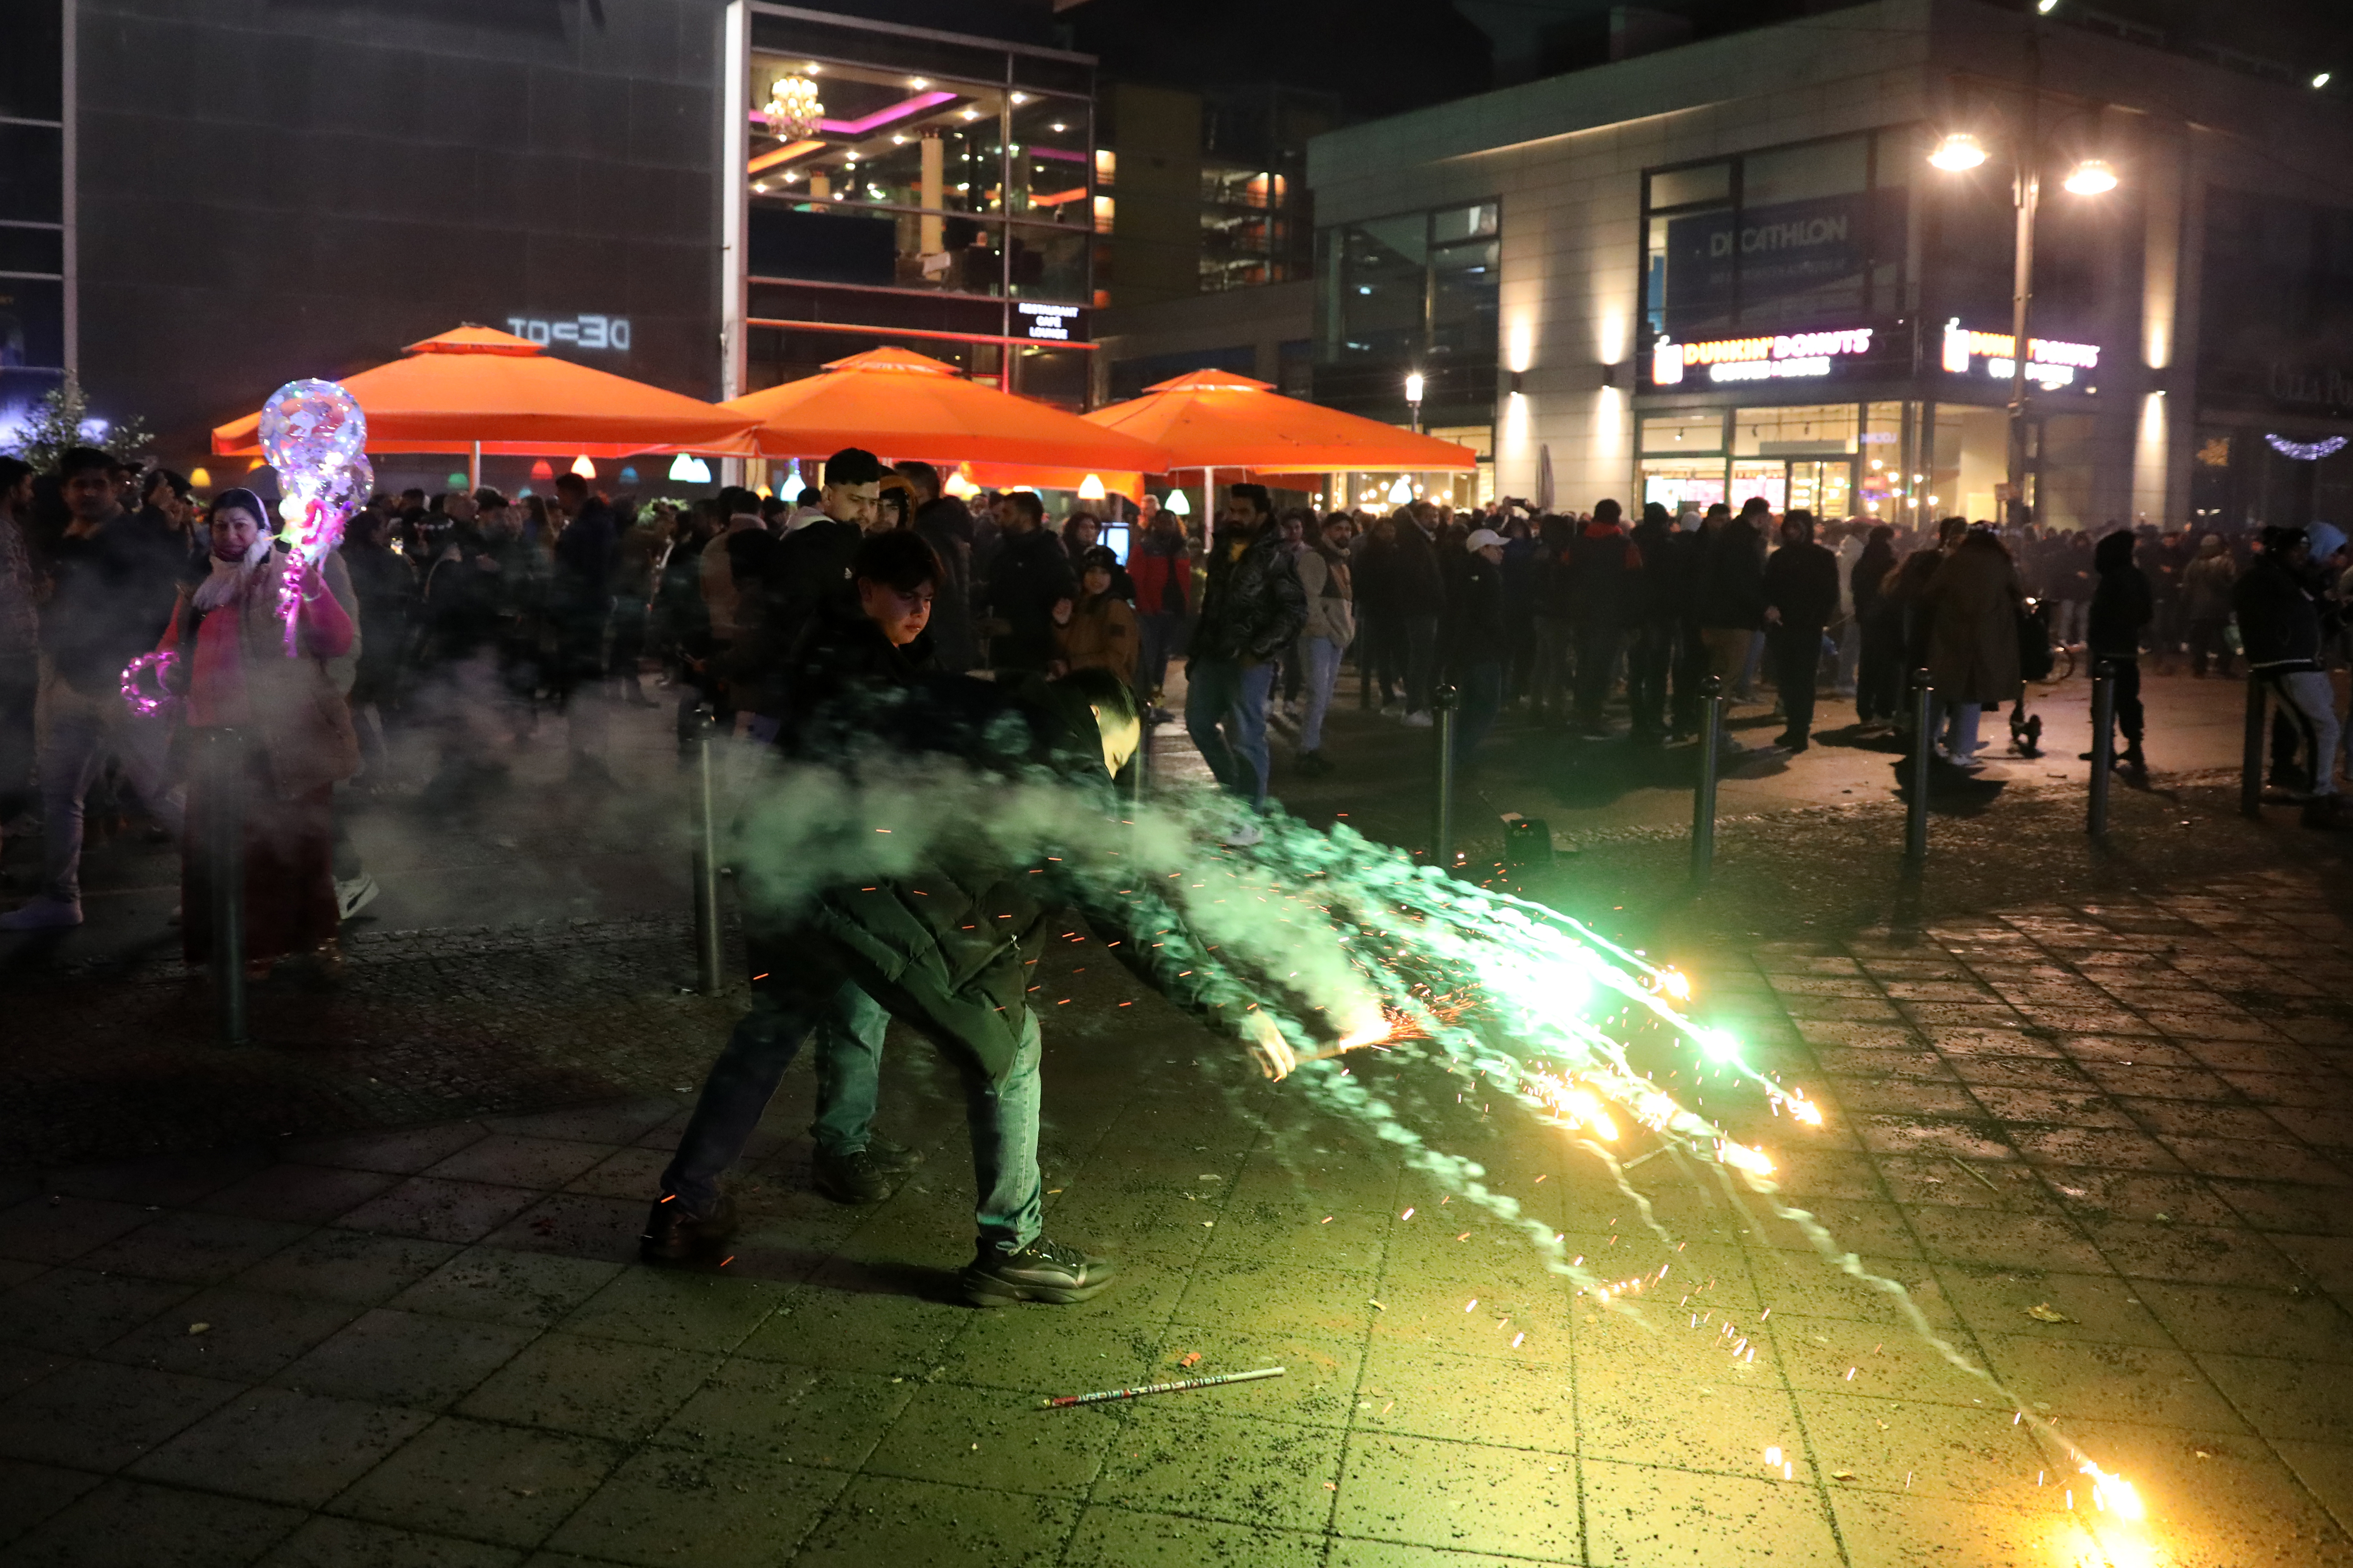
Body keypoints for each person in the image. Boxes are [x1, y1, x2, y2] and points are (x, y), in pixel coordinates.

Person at [644, 529, 1287, 1304]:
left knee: (771, 1032)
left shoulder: (997, 707)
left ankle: (686, 1206)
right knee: (1008, 1040)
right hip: (864, 883)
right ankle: (1011, 1248)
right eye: (1120, 758)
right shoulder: (1065, 753)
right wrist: (1235, 1009)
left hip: (794, 866)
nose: (1116, 777)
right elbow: (1122, 906)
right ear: (1104, 724)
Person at [159, 490, 360, 978]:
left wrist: (310, 583)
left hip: (287, 737)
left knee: (294, 849)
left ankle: (304, 943)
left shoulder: (288, 575)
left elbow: (338, 639)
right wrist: (162, 673)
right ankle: (226, 947)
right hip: (216, 738)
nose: (230, 535)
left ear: (262, 528)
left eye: (241, 525)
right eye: (222, 525)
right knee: (219, 849)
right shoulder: (199, 588)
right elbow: (172, 648)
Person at [3, 447, 188, 930]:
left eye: (97, 485)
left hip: (127, 688)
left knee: (160, 791)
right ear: (65, 492)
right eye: (78, 486)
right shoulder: (61, 535)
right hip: (70, 682)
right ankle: (61, 898)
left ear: (115, 487)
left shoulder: (135, 532)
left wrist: (151, 519)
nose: (87, 493)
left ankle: (215, 885)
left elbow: (156, 592)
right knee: (61, 794)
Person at [1184, 483, 1305, 831]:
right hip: (1213, 652)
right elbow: (1211, 605)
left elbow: (1294, 611)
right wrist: (1196, 651)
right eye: (1232, 510)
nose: (1234, 517)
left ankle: (1249, 814)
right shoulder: (1222, 548)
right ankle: (1235, 791)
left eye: (1243, 512)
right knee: (1198, 723)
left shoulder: (1275, 555)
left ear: (1262, 516)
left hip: (1249, 658)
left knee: (1246, 736)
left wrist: (1260, 650)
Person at [2237, 526, 2342, 825]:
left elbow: (2322, 623)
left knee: (2321, 728)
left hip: (2304, 662)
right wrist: (2310, 588)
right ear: (2277, 552)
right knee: (2322, 727)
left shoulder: (2293, 580)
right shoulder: (2262, 579)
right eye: (2295, 550)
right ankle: (2317, 793)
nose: (2301, 556)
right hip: (2287, 663)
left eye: (2304, 550)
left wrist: (2342, 614)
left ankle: (2320, 789)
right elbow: (2278, 612)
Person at [1921, 527, 2025, 768]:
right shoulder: (2001, 563)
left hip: (1952, 632)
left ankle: (1928, 741)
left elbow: (1931, 591)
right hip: (1988, 635)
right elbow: (2018, 593)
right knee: (1972, 693)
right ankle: (1961, 750)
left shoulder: (1954, 561)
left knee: (1940, 687)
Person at [548, 472, 618, 781]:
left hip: (580, 619)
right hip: (591, 614)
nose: (559, 502)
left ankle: (583, 761)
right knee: (588, 687)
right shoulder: (601, 524)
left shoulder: (585, 529)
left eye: (561, 496)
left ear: (572, 493)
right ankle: (587, 758)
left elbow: (575, 575)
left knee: (581, 688)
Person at [1565, 499, 1644, 739]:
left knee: (1585, 664)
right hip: (1612, 617)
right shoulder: (1625, 546)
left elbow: (1565, 575)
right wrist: (1634, 622)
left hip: (1581, 615)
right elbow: (1635, 585)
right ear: (1617, 518)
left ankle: (1581, 712)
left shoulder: (1578, 544)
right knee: (1602, 669)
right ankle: (1593, 717)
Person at [1761, 508, 1839, 752]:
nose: (1792, 532)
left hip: (1807, 627)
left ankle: (1800, 729)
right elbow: (1768, 588)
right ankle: (1793, 728)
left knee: (1803, 680)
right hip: (1785, 626)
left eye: (1797, 528)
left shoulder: (1822, 557)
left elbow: (1829, 593)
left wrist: (1818, 619)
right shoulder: (1780, 557)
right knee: (1787, 679)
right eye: (1790, 528)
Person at [979, 491, 1077, 681]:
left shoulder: (1049, 555)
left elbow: (1061, 608)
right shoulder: (1004, 550)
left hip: (1035, 659)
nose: (1000, 518)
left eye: (1007, 513)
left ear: (1026, 517)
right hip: (1001, 654)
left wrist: (1014, 627)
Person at [1693, 499, 1767, 737]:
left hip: (1714, 617)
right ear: (1761, 517)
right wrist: (1763, 607)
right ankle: (1715, 731)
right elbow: (1743, 583)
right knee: (1728, 676)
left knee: (1716, 673)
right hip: (1735, 619)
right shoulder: (1744, 542)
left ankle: (1708, 727)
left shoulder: (1725, 537)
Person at [899, 461, 979, 676]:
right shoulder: (947, 528)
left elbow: (938, 597)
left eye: (902, 492)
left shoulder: (926, 535)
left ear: (920, 493)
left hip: (937, 650)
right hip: (951, 645)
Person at [1293, 512, 1356, 776]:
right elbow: (1309, 598)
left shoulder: (1339, 561)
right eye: (1339, 529)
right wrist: (1324, 627)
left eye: (1348, 529)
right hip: (1320, 635)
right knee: (1318, 693)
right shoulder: (1316, 559)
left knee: (1324, 694)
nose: (1345, 534)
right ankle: (1308, 749)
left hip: (1332, 634)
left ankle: (1311, 746)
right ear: (1326, 531)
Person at [2085, 528, 2152, 774]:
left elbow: (2103, 613)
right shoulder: (2136, 577)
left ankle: (2106, 748)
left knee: (2105, 702)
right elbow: (2145, 613)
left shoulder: (2114, 579)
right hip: (2126, 648)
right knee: (2128, 700)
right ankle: (2132, 746)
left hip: (2109, 648)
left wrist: (2101, 637)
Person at [0, 458, 38, 867]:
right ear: (12, 489)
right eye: (26, 486)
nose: (31, 494)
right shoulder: (3, 530)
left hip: (15, 645)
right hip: (10, 647)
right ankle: (9, 816)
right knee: (14, 733)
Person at [1125, 499, 1191, 721]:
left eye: (1170, 523)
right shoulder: (1144, 548)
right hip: (1151, 614)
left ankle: (1155, 705)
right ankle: (1144, 706)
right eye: (1162, 522)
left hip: (1171, 612)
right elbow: (1137, 581)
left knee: (1162, 662)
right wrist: (1147, 607)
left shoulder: (1181, 549)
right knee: (1149, 661)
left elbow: (1185, 581)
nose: (1166, 527)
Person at [1447, 527, 1510, 759]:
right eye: (1496, 547)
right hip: (1484, 649)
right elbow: (1489, 615)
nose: (1501, 552)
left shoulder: (1464, 571)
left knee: (1471, 703)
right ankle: (1463, 749)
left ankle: (1458, 748)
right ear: (1483, 550)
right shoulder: (1489, 576)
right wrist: (1502, 642)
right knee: (1486, 704)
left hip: (1466, 647)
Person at [1390, 504, 1446, 726]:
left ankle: (1418, 705)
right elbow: (1418, 577)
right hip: (1421, 607)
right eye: (1428, 516)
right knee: (1421, 657)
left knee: (1422, 657)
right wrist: (1434, 597)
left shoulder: (1422, 539)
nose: (1434, 520)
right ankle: (1414, 708)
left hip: (1421, 606)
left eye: (1436, 516)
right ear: (1417, 519)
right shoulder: (1415, 542)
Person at [1053, 546, 1137, 687]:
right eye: (1092, 571)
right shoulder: (1080, 602)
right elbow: (1071, 648)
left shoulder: (1115, 607)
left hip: (1107, 689)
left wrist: (1071, 666)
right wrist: (1063, 624)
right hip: (1082, 685)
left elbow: (1116, 658)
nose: (1097, 578)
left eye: (1104, 572)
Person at [1851, 524, 1902, 727]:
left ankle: (1865, 710)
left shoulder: (1862, 563)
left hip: (1867, 620)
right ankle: (1883, 709)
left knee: (1868, 666)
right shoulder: (1890, 565)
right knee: (1887, 668)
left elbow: (1856, 590)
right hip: (1887, 622)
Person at [2181, 533, 2237, 678]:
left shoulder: (2194, 563)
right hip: (2221, 608)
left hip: (2199, 608)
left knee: (2200, 640)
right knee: (2225, 640)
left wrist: (2186, 604)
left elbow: (2187, 586)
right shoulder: (2226, 561)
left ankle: (2199, 669)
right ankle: (2223, 668)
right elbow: (2234, 584)